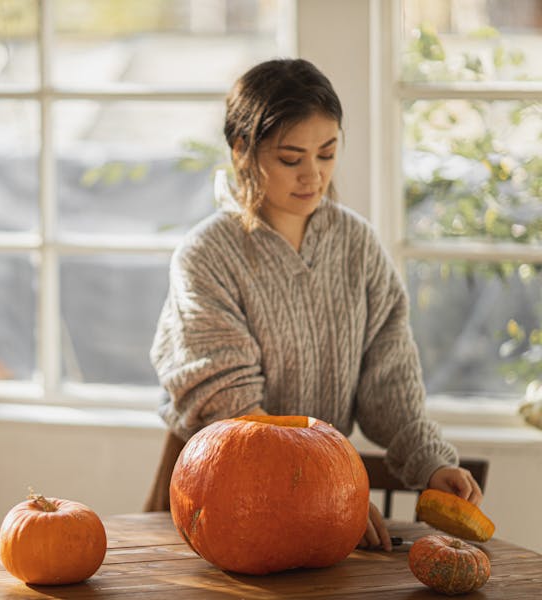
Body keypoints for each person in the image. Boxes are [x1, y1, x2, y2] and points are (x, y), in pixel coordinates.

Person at [149, 58, 483, 552]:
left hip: (325, 497)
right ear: (242, 148)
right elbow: (232, 407)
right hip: (219, 502)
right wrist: (330, 494)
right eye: (291, 158)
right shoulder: (206, 255)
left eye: (326, 154)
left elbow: (389, 382)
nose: (313, 175)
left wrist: (431, 463)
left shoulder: (359, 245)